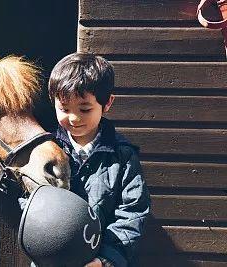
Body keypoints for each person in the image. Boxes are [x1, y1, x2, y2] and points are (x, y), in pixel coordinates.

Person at [48, 52, 151, 267]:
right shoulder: (47, 151)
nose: (74, 118)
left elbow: (133, 211)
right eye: (64, 109)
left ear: (107, 104)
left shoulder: (122, 155)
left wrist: (106, 258)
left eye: (85, 109)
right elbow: (31, 202)